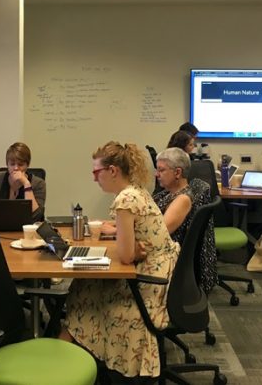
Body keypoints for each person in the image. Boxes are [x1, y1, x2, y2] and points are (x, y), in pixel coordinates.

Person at [60, 141, 180, 379]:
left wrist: (132, 251)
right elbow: (132, 247)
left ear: (113, 170)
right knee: (84, 287)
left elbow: (125, 257)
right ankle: (74, 358)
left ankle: (65, 364)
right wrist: (129, 245)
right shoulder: (137, 191)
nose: (95, 178)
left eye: (97, 172)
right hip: (164, 272)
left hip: (149, 283)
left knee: (83, 294)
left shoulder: (125, 201)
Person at [152, 147, 217, 293]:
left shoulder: (182, 199)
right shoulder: (170, 193)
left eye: (161, 170)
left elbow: (158, 233)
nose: (157, 174)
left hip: (164, 258)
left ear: (177, 172)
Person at [0, 142, 46, 222]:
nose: (16, 168)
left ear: (27, 165)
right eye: (12, 164)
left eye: (20, 164)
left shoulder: (39, 183)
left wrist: (26, 184)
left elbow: (36, 216)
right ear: (7, 164)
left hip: (26, 229)